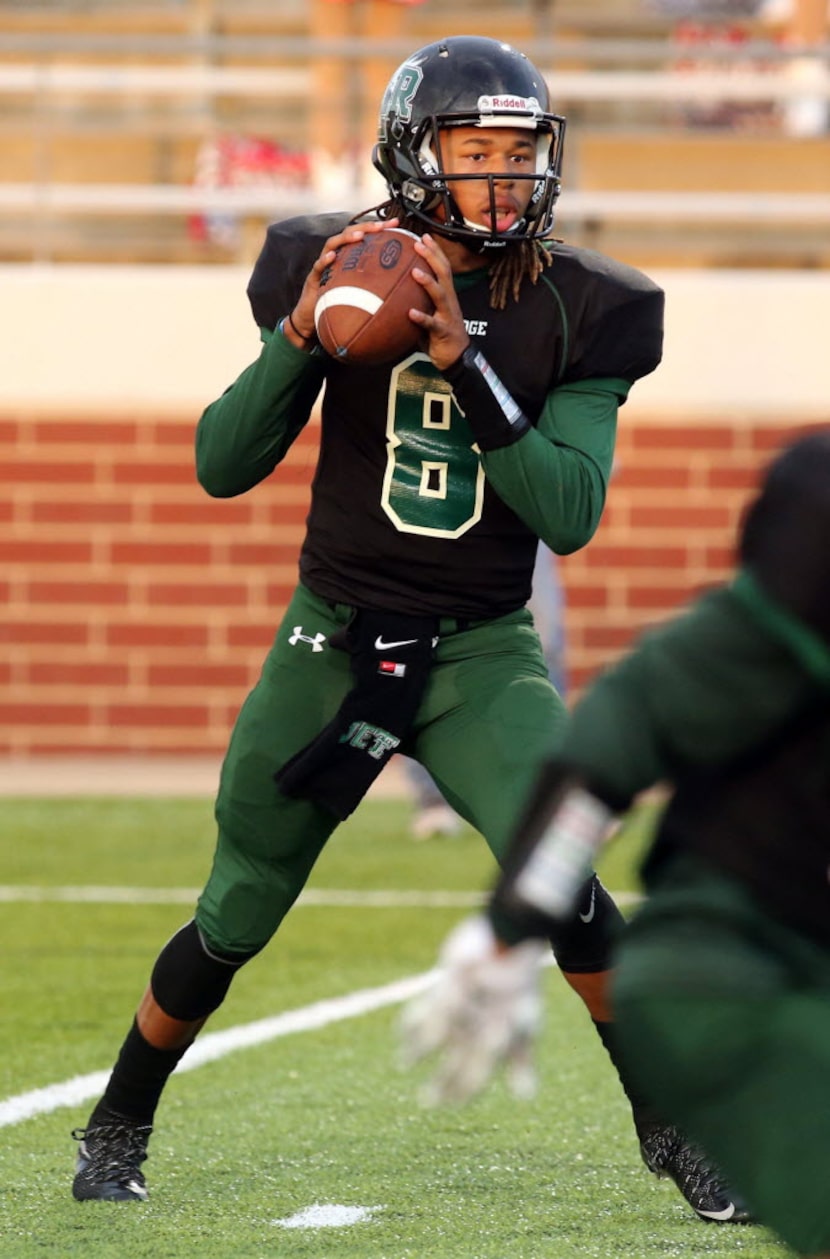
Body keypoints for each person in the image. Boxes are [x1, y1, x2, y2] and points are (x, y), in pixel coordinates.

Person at [69, 34, 731, 1220]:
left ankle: (673, 1125)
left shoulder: (588, 307)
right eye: (473, 152)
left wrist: (460, 359)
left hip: (480, 649)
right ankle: (119, 1115)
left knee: (562, 864)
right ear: (413, 157)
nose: (503, 178)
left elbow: (568, 513)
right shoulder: (326, 261)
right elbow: (221, 466)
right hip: (331, 636)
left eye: (518, 153)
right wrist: (299, 337)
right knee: (238, 906)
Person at [402, 429, 830, 1256]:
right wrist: (510, 931)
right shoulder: (721, 654)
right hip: (734, 964)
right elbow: (585, 794)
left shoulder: (722, 640)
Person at [406, 542, 568, 840]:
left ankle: (555, 798)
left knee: (545, 637)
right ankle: (433, 799)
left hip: (517, 512)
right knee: (422, 636)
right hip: (437, 510)